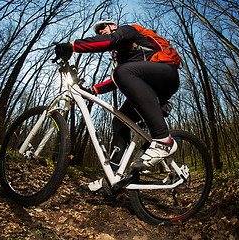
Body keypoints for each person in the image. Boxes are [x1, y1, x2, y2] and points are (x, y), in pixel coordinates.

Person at [55, 19, 179, 193]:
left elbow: (110, 43)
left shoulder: (127, 31)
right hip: (147, 89)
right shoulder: (122, 57)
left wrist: (72, 46)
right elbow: (117, 80)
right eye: (97, 31)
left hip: (165, 75)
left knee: (121, 71)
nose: (100, 32)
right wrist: (92, 90)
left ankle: (164, 140)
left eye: (102, 28)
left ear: (113, 26)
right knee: (119, 122)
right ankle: (112, 176)